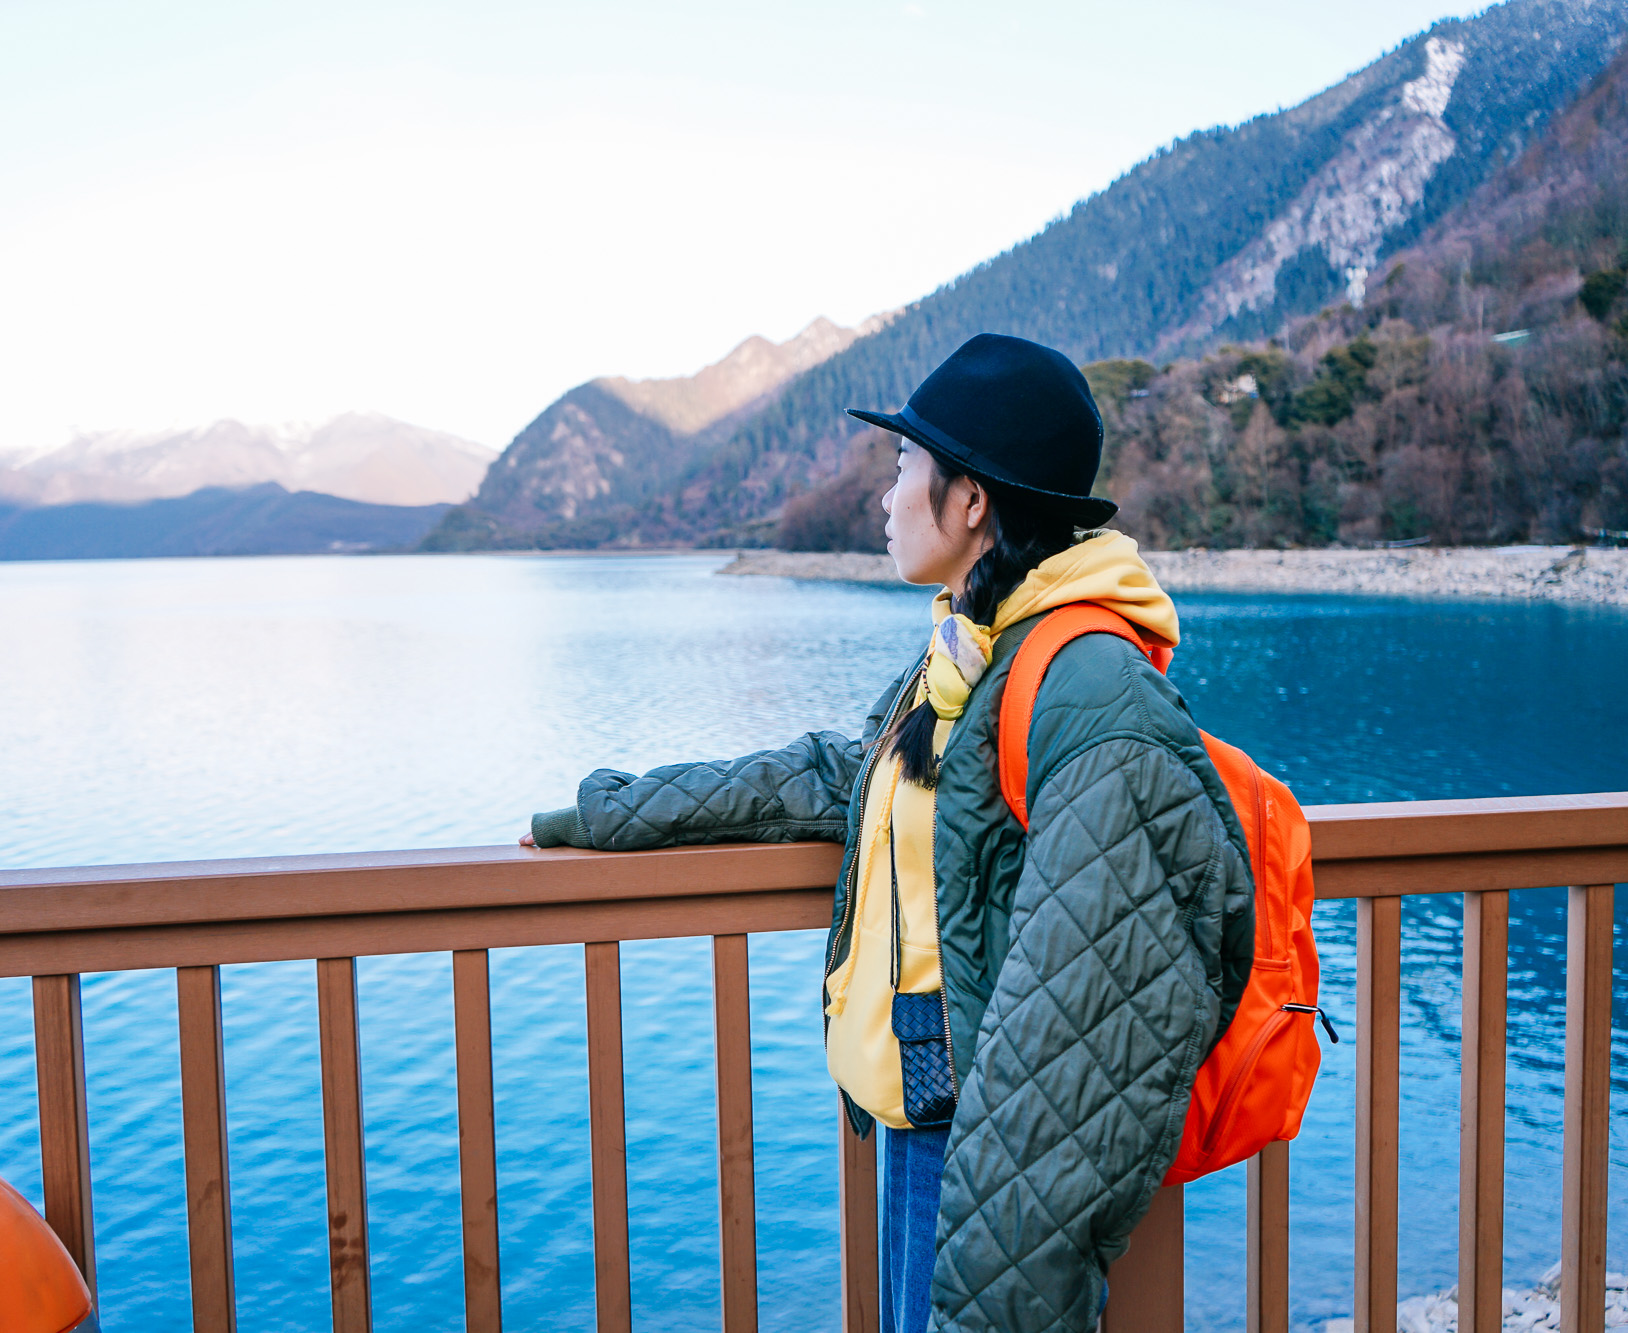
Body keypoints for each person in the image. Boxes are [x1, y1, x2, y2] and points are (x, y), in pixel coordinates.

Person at [524, 334, 1255, 1333]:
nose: (884, 495)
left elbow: (1070, 1052)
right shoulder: (975, 650)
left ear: (971, 501)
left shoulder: (1086, 687)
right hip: (936, 1112)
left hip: (987, 1145)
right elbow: (852, 773)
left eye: (905, 465)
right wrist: (614, 813)